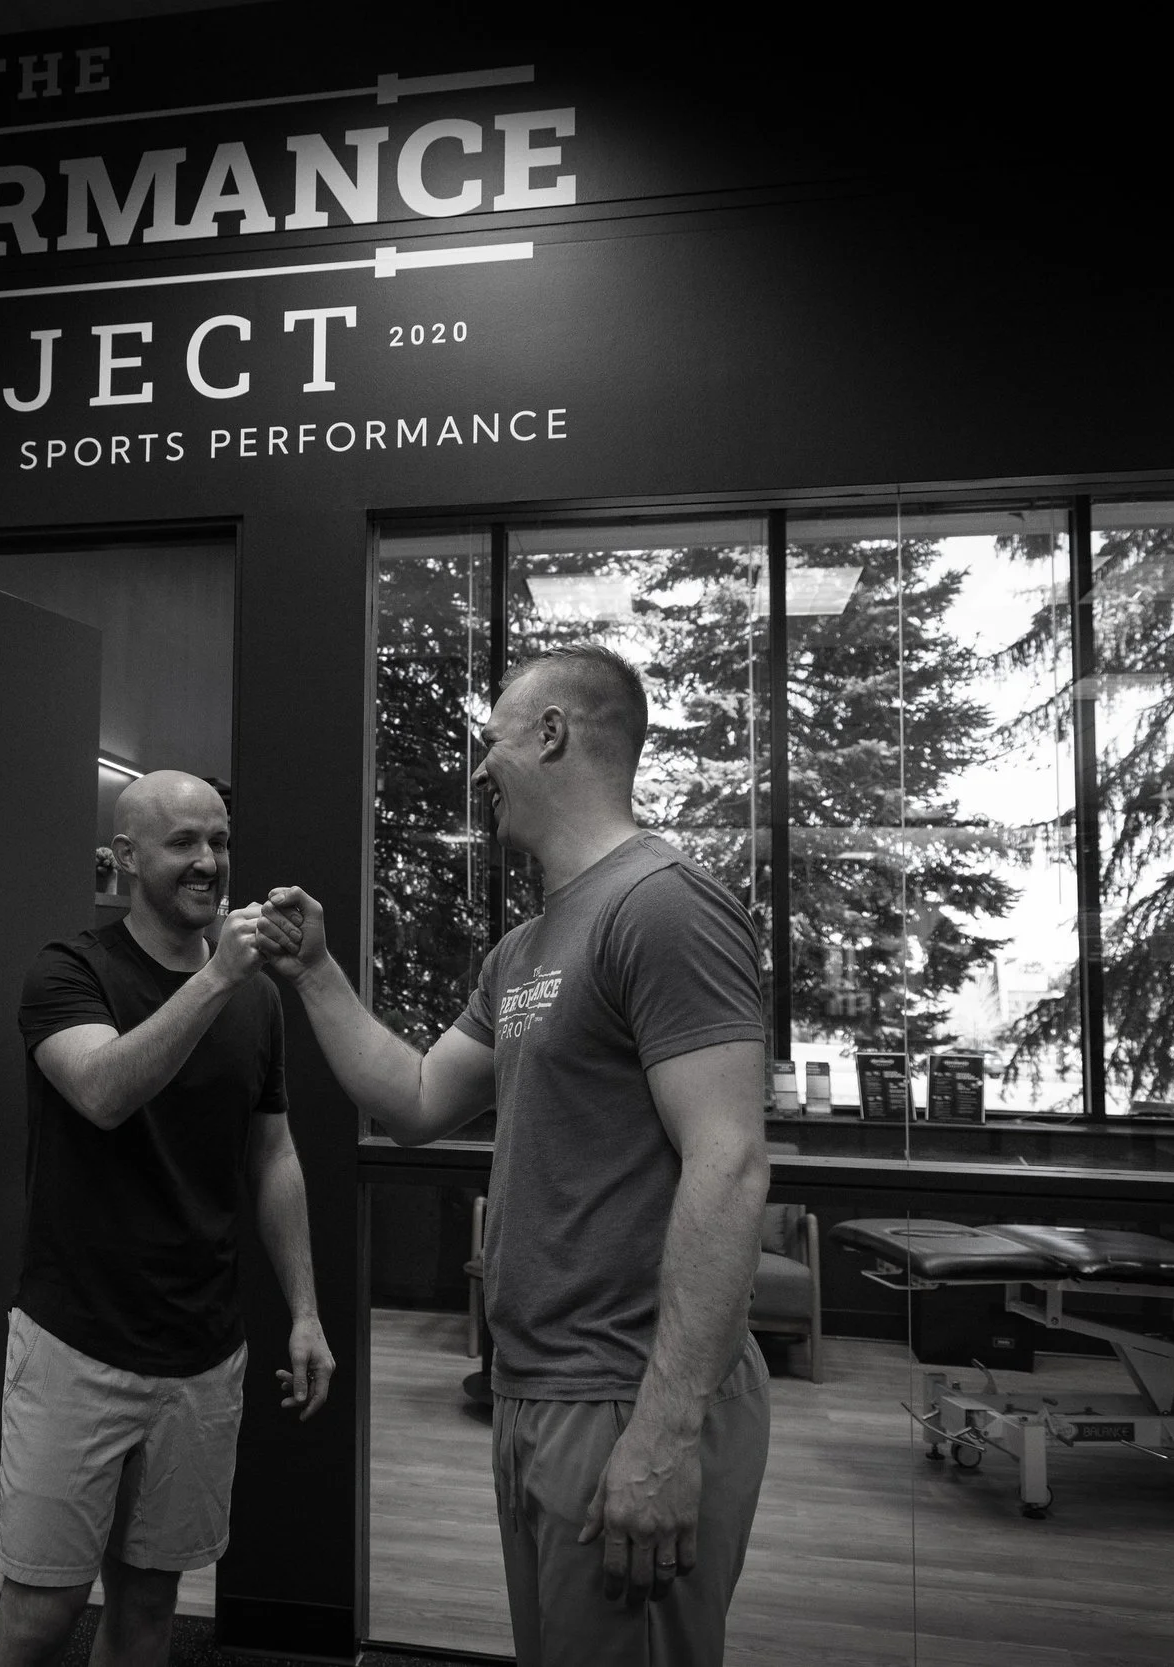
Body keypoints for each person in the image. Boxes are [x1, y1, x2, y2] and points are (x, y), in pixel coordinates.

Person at [260, 643, 770, 1667]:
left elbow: (729, 1162)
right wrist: (313, 971)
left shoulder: (663, 905)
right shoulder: (525, 949)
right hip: (537, 1389)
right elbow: (414, 1100)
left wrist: (665, 1429)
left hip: (627, 1392)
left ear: (550, 733)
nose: (479, 766)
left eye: (490, 740)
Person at [0, 769, 336, 1667]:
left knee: (147, 1609)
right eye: (183, 842)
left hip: (202, 1352)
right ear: (127, 857)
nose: (209, 861)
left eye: (219, 839)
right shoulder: (70, 971)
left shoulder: (256, 997)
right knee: (40, 1615)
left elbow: (273, 1155)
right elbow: (103, 1091)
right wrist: (217, 976)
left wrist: (304, 1310)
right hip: (76, 1341)